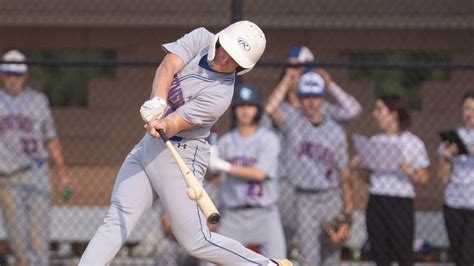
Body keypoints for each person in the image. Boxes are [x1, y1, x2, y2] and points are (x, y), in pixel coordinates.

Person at [79, 20, 292, 266]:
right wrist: (158, 101)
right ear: (220, 39)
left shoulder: (221, 95)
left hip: (183, 154)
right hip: (148, 148)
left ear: (243, 66)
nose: (225, 59)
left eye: (235, 59)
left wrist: (163, 123)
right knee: (118, 217)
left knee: (196, 241)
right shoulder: (201, 38)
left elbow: (175, 124)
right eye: (226, 49)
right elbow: (168, 66)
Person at [265, 46, 362, 257]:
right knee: (302, 253)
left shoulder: (330, 120)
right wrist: (287, 81)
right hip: (292, 187)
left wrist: (348, 211)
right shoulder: (292, 118)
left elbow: (354, 110)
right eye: (294, 69)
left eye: (302, 69)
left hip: (329, 194)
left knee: (331, 252)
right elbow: (270, 109)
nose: (312, 102)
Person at [0, 49, 70, 265]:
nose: (13, 79)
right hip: (8, 177)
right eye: (9, 74)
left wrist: (63, 174)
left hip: (37, 172)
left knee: (40, 240)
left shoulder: (38, 100)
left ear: (25, 76)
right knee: (19, 243)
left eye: (17, 74)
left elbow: (51, 139)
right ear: (2, 75)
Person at [351, 95, 430, 266]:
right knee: (379, 253)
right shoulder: (375, 141)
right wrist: (360, 168)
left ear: (393, 114)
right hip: (377, 200)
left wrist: (410, 172)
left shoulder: (413, 143)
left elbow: (424, 179)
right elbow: (369, 178)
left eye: (380, 110)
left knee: (403, 254)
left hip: (400, 201)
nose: (375, 114)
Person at [208, 84, 286, 259]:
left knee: (278, 261)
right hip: (232, 215)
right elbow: (214, 178)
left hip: (265, 214)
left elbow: (260, 174)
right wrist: (210, 163)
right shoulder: (225, 142)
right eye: (241, 106)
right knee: (213, 261)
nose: (245, 111)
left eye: (250, 106)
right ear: (234, 109)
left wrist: (223, 165)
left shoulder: (269, 139)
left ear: (258, 109)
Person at [437, 91, 474, 266]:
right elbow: (443, 179)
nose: (470, 113)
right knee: (458, 255)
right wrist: (446, 158)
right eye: (467, 108)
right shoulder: (453, 137)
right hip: (453, 203)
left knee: (468, 255)